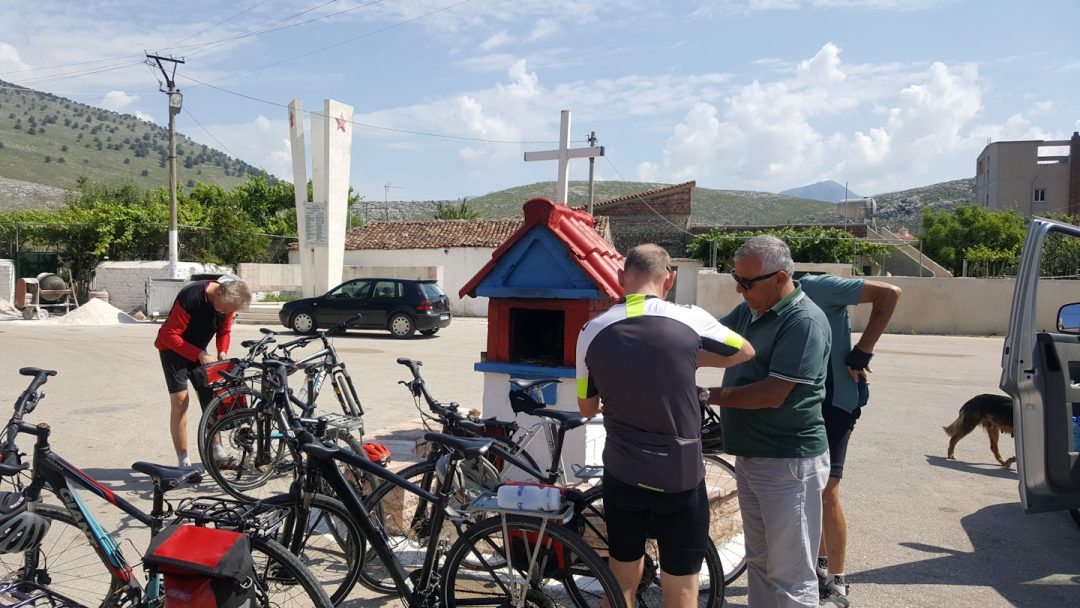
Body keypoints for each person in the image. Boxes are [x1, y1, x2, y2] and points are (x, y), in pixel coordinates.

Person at [576, 244, 755, 608]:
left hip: (623, 473)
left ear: (619, 279)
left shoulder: (590, 330)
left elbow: (586, 406)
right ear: (668, 280)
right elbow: (745, 351)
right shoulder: (691, 318)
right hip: (680, 475)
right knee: (682, 587)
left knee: (620, 582)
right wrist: (687, 359)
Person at [704, 235, 831, 608]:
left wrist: (706, 395)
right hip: (753, 457)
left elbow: (772, 393)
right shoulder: (752, 310)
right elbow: (711, 339)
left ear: (779, 278)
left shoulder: (803, 321)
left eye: (747, 283)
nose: (740, 290)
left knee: (791, 574)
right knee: (759, 562)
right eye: (736, 280)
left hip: (788, 462)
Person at [799, 273, 901, 607]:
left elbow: (890, 293)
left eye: (750, 280)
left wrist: (864, 349)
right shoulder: (764, 303)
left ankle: (837, 584)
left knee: (827, 490)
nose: (745, 288)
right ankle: (820, 566)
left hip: (835, 402)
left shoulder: (815, 286)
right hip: (800, 404)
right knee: (808, 489)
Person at [155, 278, 251, 467]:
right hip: (173, 349)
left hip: (200, 351)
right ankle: (183, 461)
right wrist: (199, 354)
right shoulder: (191, 296)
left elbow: (224, 331)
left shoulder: (228, 304)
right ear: (219, 293)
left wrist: (222, 351)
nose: (227, 313)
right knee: (181, 401)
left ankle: (217, 454)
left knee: (212, 399)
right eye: (226, 308)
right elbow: (168, 335)